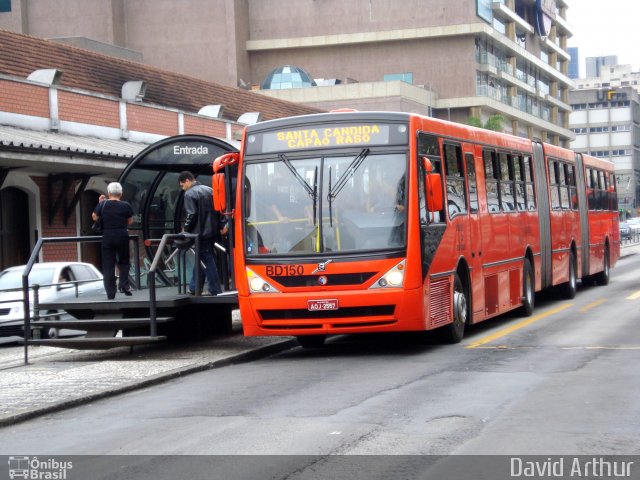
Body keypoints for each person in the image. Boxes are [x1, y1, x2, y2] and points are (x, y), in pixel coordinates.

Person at [178, 171, 227, 296]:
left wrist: (186, 229)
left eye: (182, 185)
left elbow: (192, 214)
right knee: (202, 258)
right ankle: (195, 286)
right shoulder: (209, 190)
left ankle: (215, 288)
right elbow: (219, 209)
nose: (183, 188)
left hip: (198, 233)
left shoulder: (189, 194)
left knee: (206, 259)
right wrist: (221, 225)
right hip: (212, 231)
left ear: (187, 181)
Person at [92, 182, 134, 300]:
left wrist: (100, 204)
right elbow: (130, 221)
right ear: (121, 193)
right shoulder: (126, 205)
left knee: (108, 264)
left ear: (109, 193)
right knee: (124, 261)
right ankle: (124, 285)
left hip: (108, 236)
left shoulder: (103, 204)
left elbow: (94, 217)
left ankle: (111, 292)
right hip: (122, 235)